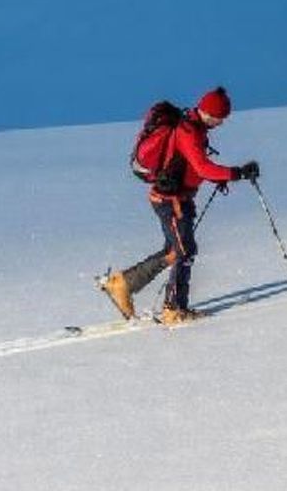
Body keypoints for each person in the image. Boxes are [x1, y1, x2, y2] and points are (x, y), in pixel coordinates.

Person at [97, 86, 259, 325]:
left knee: (174, 251)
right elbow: (202, 167)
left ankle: (122, 284)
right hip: (170, 201)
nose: (221, 123)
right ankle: (173, 309)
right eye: (220, 117)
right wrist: (236, 173)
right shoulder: (188, 131)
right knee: (185, 251)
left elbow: (192, 166)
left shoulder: (195, 128)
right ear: (209, 113)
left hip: (174, 198)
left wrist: (219, 177)